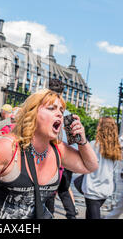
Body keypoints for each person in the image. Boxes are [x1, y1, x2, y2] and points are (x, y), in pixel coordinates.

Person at [0, 88, 98, 219]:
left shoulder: (58, 149)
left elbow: (90, 166)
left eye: (61, 110)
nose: (59, 114)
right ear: (32, 114)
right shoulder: (7, 146)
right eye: (51, 108)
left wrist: (82, 141)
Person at [44, 79, 78, 219]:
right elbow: (74, 143)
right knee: (64, 190)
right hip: (65, 160)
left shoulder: (44, 111)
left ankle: (49, 215)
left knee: (49, 192)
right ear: (63, 93)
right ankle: (71, 215)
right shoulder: (68, 115)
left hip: (49, 158)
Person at [81, 117, 122, 219]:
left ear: (100, 128)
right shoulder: (116, 148)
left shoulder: (92, 145)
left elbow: (84, 163)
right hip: (106, 189)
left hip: (92, 189)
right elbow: (114, 167)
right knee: (90, 214)